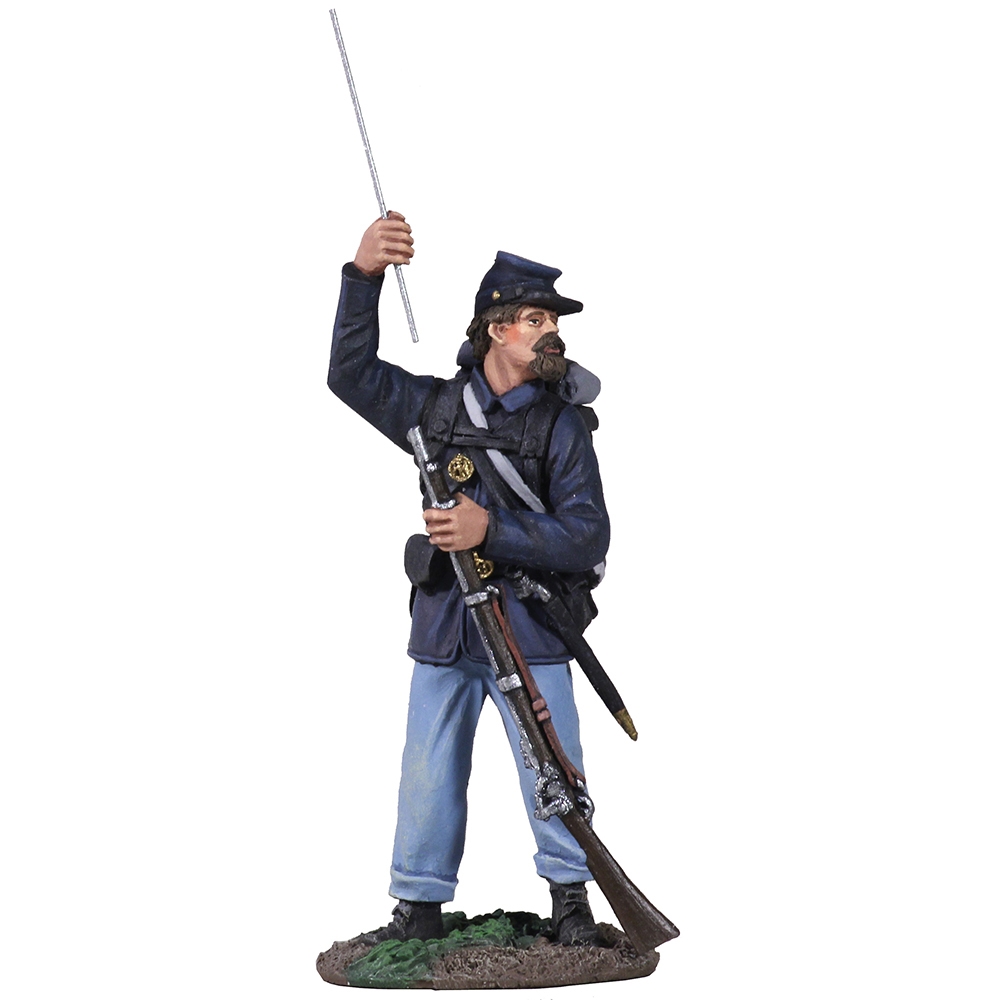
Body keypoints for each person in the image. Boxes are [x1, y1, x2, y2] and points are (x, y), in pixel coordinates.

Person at [327, 212, 611, 946]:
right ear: (496, 329)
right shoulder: (435, 409)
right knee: (427, 768)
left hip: (531, 629)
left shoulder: (561, 427)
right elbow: (351, 375)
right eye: (536, 320)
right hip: (448, 625)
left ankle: (571, 899)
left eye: (551, 321)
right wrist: (364, 276)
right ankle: (418, 905)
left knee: (555, 768)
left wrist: (494, 529)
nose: (551, 334)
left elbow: (588, 535)